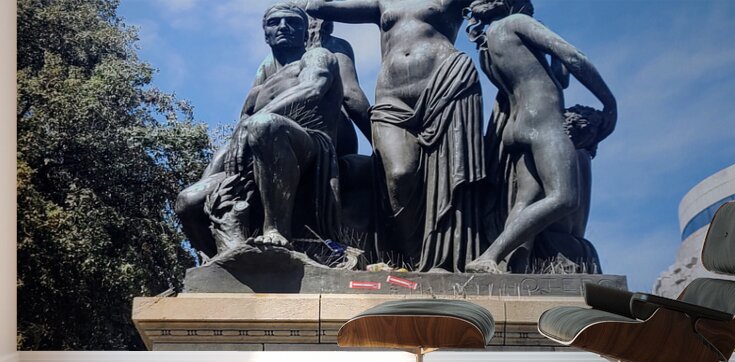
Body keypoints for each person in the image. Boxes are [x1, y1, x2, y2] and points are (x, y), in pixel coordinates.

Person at [306, 0, 486, 272]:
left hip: (446, 85)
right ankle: (409, 258)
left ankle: (439, 262)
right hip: (392, 95)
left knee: (449, 173)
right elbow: (318, 7)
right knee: (399, 173)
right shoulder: (382, 2)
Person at [176, 2, 345, 256]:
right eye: (274, 22)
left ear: (305, 32)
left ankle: (276, 231)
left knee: (264, 124)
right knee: (188, 201)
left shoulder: (317, 57)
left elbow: (312, 88)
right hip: (256, 156)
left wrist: (253, 121)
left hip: (310, 146)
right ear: (266, 34)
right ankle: (222, 259)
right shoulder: (259, 87)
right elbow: (236, 138)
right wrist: (215, 177)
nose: (283, 27)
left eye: (293, 22)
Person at [463, 0, 616, 273]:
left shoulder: (488, 44)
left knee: (526, 200)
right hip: (544, 121)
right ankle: (489, 256)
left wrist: (551, 54)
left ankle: (514, 268)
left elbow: (560, 78)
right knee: (564, 197)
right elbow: (574, 57)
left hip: (518, 125)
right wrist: (609, 103)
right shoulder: (515, 23)